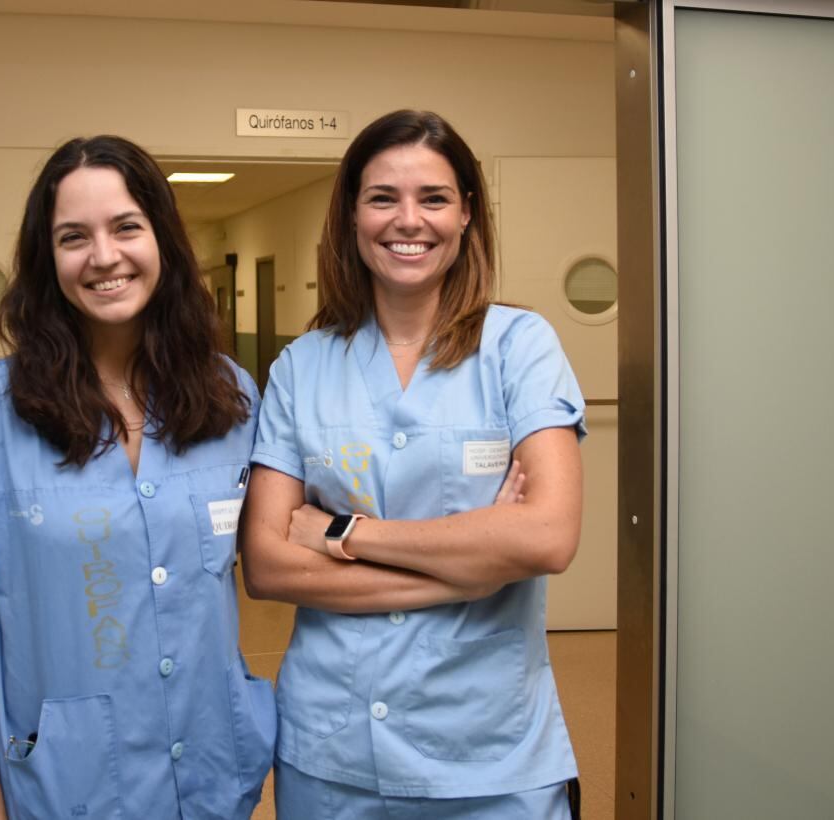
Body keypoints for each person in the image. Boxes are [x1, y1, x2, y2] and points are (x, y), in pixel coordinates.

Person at [0, 135, 276, 820]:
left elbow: (276, 541)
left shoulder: (229, 396)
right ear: (48, 261)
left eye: (126, 227)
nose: (104, 256)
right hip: (64, 785)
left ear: (162, 239)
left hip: (209, 772)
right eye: (73, 237)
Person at [240, 110, 585, 819]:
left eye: (432, 198)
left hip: (488, 751)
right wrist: (477, 559)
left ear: (465, 214)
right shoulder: (300, 367)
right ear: (349, 217)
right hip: (332, 750)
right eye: (381, 198)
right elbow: (268, 566)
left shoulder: (518, 346)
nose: (408, 220)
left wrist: (343, 533)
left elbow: (547, 538)